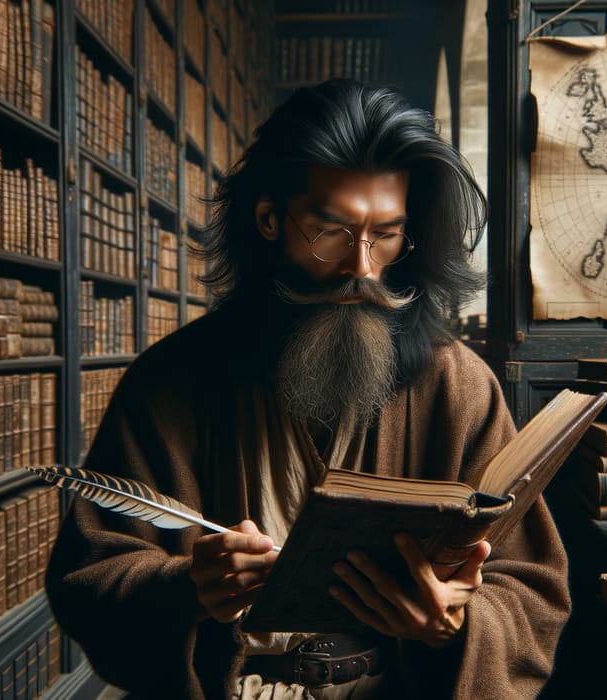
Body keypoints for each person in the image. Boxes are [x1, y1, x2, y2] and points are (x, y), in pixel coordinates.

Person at [45, 79, 570, 699]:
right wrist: (186, 587)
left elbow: (531, 590)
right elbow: (91, 572)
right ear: (269, 219)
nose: (363, 266)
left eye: (386, 234)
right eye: (332, 231)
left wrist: (455, 625)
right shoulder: (170, 383)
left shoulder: (459, 387)